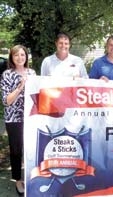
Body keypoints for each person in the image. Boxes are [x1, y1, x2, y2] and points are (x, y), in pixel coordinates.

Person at [0, 45, 36, 195]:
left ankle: (31, 178)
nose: (20, 58)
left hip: (31, 117)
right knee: (16, 150)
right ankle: (17, 180)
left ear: (26, 57)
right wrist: (21, 87)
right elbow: (6, 101)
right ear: (12, 58)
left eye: (23, 55)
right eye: (16, 55)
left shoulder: (32, 73)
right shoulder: (7, 74)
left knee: (31, 149)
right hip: (14, 119)